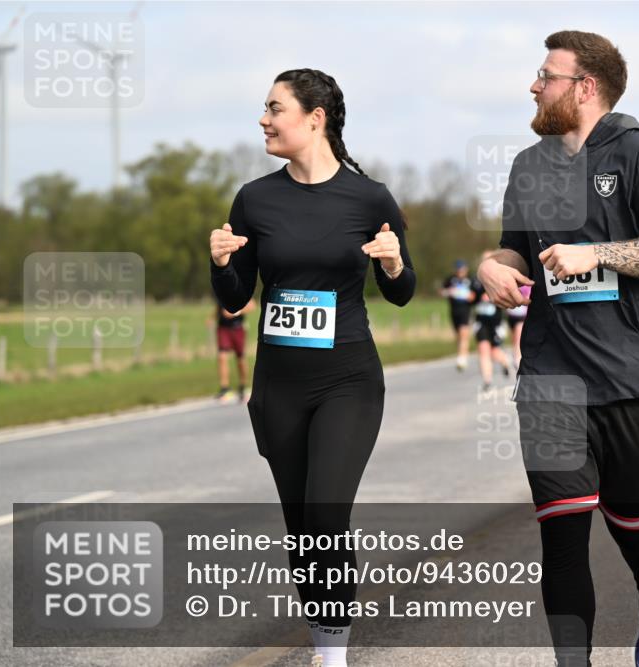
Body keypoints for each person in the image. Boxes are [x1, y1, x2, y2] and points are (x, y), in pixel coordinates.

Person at [477, 30, 639, 667]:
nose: (533, 85)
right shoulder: (531, 166)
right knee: (562, 535)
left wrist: (598, 253)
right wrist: (492, 267)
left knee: (631, 523)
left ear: (585, 87)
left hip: (632, 374)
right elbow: (513, 245)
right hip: (550, 373)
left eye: (546, 75)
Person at [209, 68, 415, 667]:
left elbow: (401, 293)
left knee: (326, 512)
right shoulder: (254, 198)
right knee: (304, 532)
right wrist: (222, 262)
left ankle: (334, 660)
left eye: (275, 108)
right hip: (279, 386)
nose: (264, 120)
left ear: (314, 118)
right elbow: (233, 295)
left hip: (347, 379)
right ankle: (326, 642)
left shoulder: (369, 197)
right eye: (264, 109)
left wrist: (396, 264)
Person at [473, 252, 513, 390]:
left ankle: (505, 363)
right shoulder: (476, 281)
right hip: (481, 321)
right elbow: (470, 298)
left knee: (494, 351)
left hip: (495, 323)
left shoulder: (501, 280)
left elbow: (507, 300)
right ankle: (487, 380)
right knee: (483, 349)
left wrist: (492, 297)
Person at [211, 297, 256, 403]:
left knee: (240, 358)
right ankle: (224, 388)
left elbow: (252, 305)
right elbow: (219, 307)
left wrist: (235, 312)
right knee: (222, 356)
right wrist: (212, 317)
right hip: (223, 327)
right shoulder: (219, 285)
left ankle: (243, 386)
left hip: (238, 328)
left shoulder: (240, 286)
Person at [440, 259, 479, 371]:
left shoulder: (470, 280)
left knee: (463, 333)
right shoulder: (451, 279)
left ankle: (462, 358)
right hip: (454, 310)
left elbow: (475, 296)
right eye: (458, 269)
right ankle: (462, 353)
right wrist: (449, 291)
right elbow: (442, 291)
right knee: (458, 335)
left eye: (462, 269)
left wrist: (469, 296)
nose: (460, 271)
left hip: (465, 310)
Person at [506, 283, 532, 367]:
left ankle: (517, 357)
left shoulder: (528, 284)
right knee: (513, 338)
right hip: (511, 314)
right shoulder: (511, 281)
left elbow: (529, 298)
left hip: (522, 314)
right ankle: (515, 354)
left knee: (518, 337)